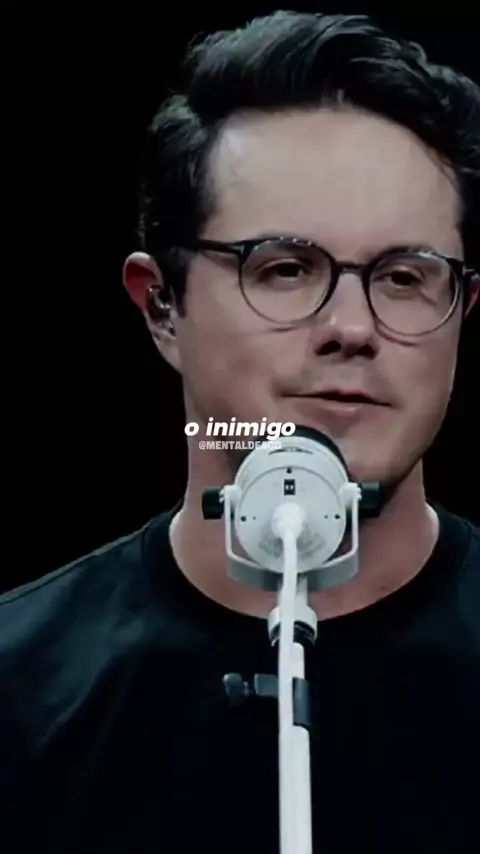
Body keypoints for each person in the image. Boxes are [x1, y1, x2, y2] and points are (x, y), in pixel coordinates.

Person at [1, 11, 479, 854]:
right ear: (162, 306)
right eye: (285, 269)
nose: (351, 328)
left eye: (405, 277)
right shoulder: (16, 686)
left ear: (462, 308)